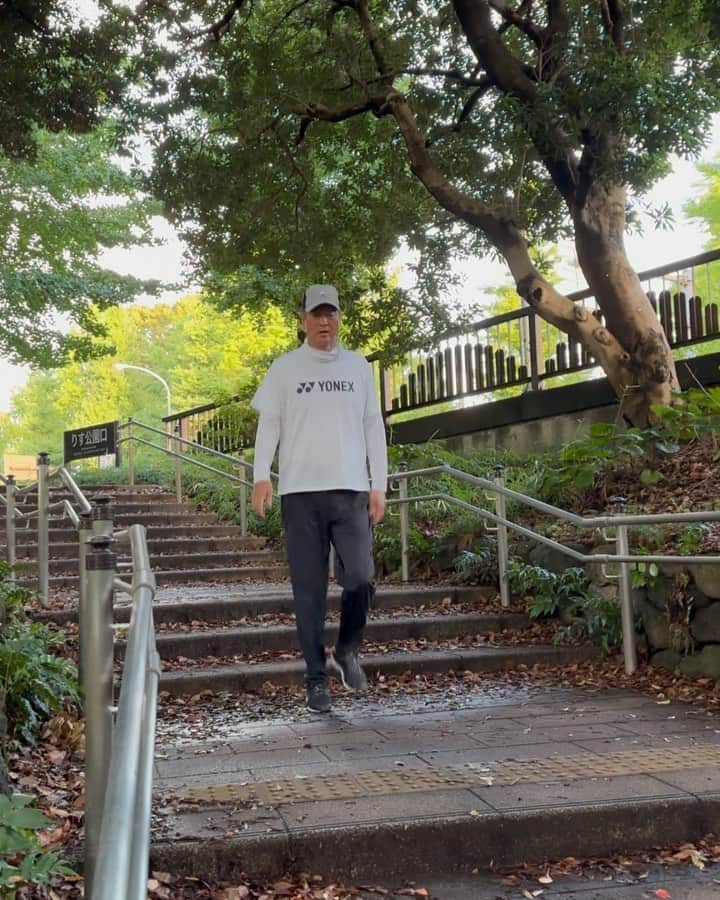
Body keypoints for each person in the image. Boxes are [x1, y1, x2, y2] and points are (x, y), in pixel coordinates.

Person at [251, 284, 388, 713]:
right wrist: (261, 476)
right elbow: (269, 424)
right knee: (308, 593)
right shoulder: (285, 368)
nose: (324, 321)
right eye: (316, 314)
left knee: (361, 577)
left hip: (350, 491)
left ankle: (347, 650)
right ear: (304, 320)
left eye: (331, 314)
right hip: (300, 494)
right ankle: (316, 680)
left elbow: (372, 427)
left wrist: (379, 483)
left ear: (339, 318)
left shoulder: (358, 366)